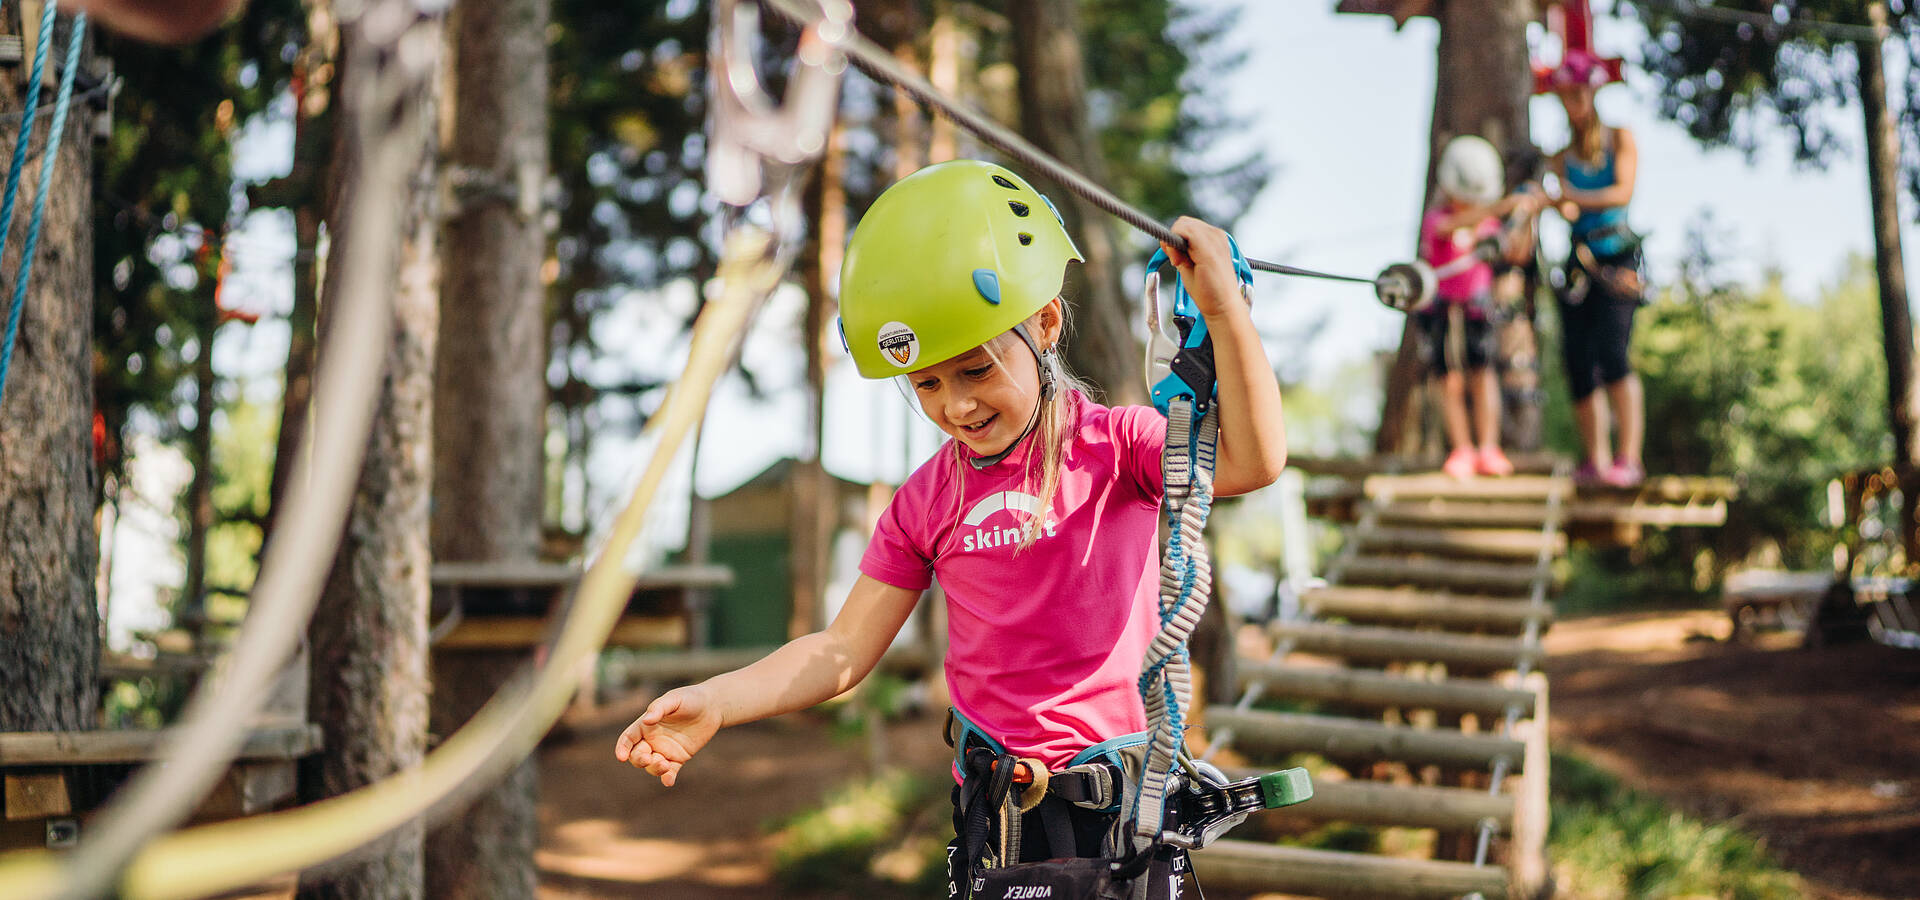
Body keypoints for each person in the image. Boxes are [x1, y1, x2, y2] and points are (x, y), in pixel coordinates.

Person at [614, 159, 1287, 894]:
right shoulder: (925, 500)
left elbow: (1252, 462)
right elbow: (841, 650)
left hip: (1120, 821)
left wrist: (1225, 314)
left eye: (975, 370)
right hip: (998, 825)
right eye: (927, 384)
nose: (956, 406)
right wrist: (719, 700)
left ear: (1046, 323)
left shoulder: (1117, 446)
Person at [1547, 48, 1647, 489]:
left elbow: (1621, 193)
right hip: (1578, 261)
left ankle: (1629, 458)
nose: (1574, 102)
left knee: (1613, 354)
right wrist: (1553, 204)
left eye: (1579, 93)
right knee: (1578, 361)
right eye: (1566, 95)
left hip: (1617, 257)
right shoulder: (1560, 156)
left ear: (1593, 93)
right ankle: (1598, 459)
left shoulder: (1619, 139)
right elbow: (1566, 209)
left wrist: (1567, 197)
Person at [1419, 134, 1539, 479]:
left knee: (1482, 375)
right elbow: (1448, 227)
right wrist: (1502, 206)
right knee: (1449, 380)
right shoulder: (1437, 219)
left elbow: (1517, 253)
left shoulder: (1488, 226)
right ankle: (1462, 448)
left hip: (1477, 308)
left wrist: (1523, 216)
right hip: (1442, 310)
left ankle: (1488, 447)